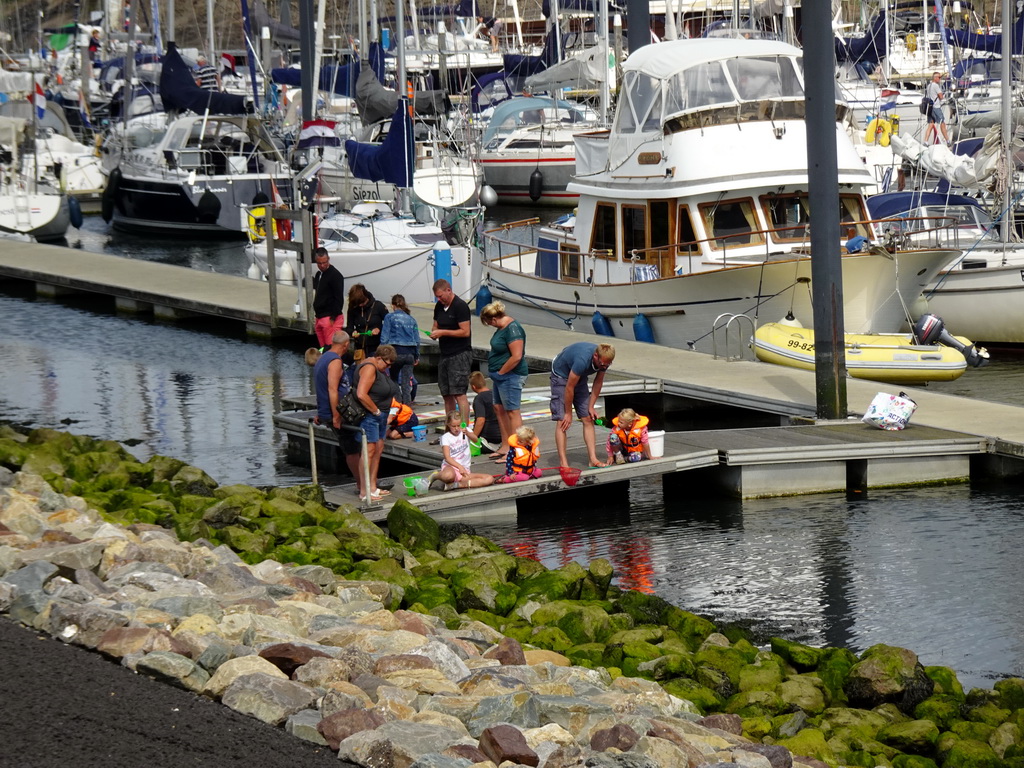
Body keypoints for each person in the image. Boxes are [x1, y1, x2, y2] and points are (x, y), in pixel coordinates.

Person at [550, 341, 616, 469]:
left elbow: (598, 383)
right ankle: (564, 463)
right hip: (561, 375)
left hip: (579, 375)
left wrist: (591, 406)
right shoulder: (582, 360)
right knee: (562, 420)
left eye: (607, 365)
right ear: (595, 356)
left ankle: (593, 459)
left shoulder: (605, 360)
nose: (604, 367)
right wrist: (568, 413)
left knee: (587, 418)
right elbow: (569, 387)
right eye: (602, 364)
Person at [312, 331, 363, 492]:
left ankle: (364, 482)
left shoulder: (322, 358)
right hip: (339, 413)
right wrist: (336, 416)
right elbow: (332, 390)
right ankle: (363, 485)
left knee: (353, 447)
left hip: (327, 410)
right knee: (353, 449)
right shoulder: (334, 361)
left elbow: (320, 388)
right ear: (346, 345)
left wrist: (321, 412)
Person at [480, 300, 527, 461]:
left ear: (493, 319)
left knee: (512, 411)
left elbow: (517, 356)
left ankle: (517, 450)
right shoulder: (501, 328)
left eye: (488, 323)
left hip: (511, 375)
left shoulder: (512, 329)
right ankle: (506, 445)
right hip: (500, 377)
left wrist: (501, 372)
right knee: (499, 409)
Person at [354, 344, 399, 501]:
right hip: (370, 416)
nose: (388, 367)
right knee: (369, 451)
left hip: (380, 415)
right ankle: (364, 491)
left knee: (378, 449)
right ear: (379, 358)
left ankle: (373, 487)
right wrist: (376, 411)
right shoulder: (369, 367)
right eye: (387, 364)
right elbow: (361, 394)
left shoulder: (378, 368)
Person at [429, 278, 472, 424]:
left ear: (449, 290)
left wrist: (443, 332)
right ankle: (451, 425)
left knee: (459, 392)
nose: (439, 299)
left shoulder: (460, 306)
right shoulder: (439, 307)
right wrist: (435, 332)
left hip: (460, 353)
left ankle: (464, 426)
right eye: (437, 297)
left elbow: (465, 332)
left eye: (441, 296)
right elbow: (435, 325)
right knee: (446, 393)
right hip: (445, 353)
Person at [427, 411, 496, 491]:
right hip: (451, 466)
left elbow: (475, 440)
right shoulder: (446, 437)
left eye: (458, 425)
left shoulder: (465, 430)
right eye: (453, 426)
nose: (456, 428)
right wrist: (459, 467)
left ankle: (456, 485)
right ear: (448, 425)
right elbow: (447, 458)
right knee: (448, 476)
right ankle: (435, 476)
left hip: (464, 469)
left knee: (489, 479)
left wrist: (467, 433)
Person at [380, 294, 420, 405]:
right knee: (406, 382)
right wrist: (417, 355)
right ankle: (407, 407)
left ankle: (398, 404)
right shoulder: (412, 319)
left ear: (393, 305)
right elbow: (417, 339)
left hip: (396, 352)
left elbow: (384, 338)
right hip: (409, 354)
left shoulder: (389, 317)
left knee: (393, 380)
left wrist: (382, 353)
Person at [344, 283, 388, 364]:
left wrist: (379, 329)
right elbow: (349, 327)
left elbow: (389, 324)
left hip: (376, 348)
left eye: (362, 303)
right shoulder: (353, 308)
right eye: (358, 304)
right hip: (359, 348)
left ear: (366, 297)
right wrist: (352, 332)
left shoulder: (378, 306)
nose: (360, 306)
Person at [313, 248, 345, 349]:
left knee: (331, 348)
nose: (322, 265)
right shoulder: (318, 274)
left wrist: (333, 317)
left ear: (328, 259)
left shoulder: (336, 275)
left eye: (324, 262)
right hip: (319, 315)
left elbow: (339, 298)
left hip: (329, 316)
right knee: (323, 348)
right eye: (319, 263)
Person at [469, 371, 503, 452]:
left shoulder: (479, 398)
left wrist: (473, 438)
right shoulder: (495, 393)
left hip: (488, 436)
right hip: (502, 434)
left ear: (473, 387)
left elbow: (480, 420)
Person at [924, 71, 950, 145]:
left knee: (931, 124)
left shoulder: (929, 86)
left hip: (930, 108)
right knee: (942, 123)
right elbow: (941, 97)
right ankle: (947, 140)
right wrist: (943, 95)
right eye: (939, 77)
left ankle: (926, 141)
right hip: (936, 107)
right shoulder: (935, 85)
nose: (940, 79)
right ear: (935, 78)